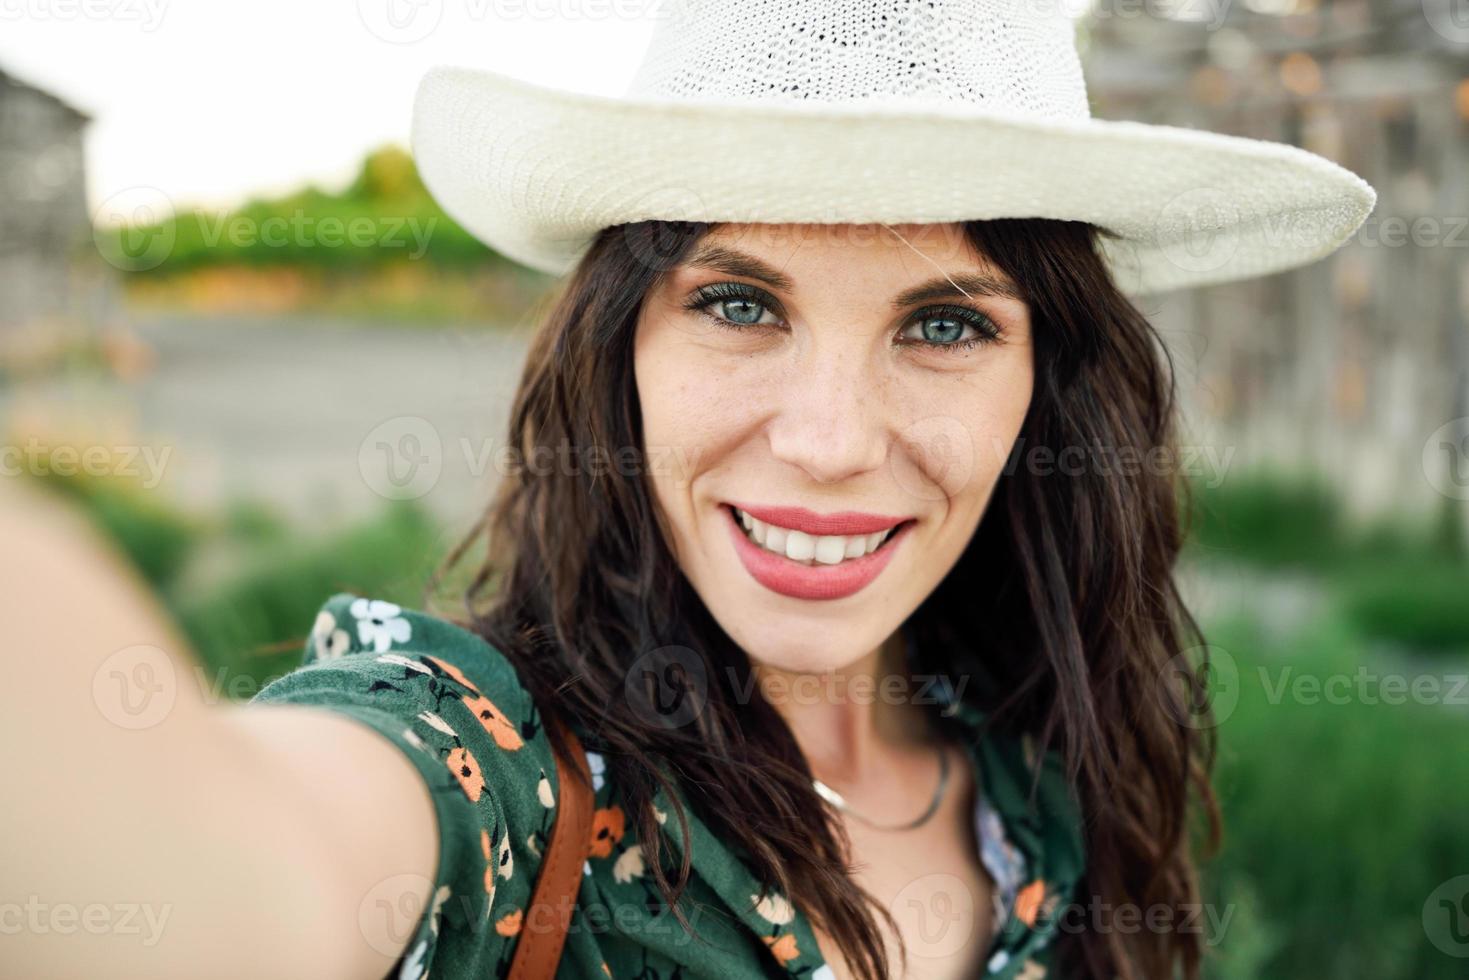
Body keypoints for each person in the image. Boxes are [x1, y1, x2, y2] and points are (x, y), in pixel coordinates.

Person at [2, 1, 1376, 978]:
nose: (831, 440)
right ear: (621, 355)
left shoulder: (1040, 780)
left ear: (1048, 388)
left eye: (944, 325)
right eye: (735, 302)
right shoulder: (494, 778)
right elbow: (222, 882)